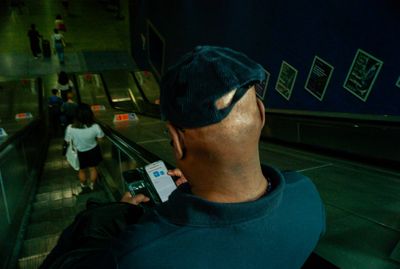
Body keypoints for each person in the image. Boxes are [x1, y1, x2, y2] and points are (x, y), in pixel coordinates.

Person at [40, 46, 325, 269]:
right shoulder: (307, 197)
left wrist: (114, 214)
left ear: (176, 140)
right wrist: (199, 187)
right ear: (261, 115)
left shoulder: (139, 255)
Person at [64, 103, 104, 190]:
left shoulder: (70, 128)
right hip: (93, 150)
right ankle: (92, 184)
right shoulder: (95, 127)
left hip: (79, 152)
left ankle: (83, 184)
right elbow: (100, 139)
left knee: (81, 170)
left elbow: (67, 141)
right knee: (92, 168)